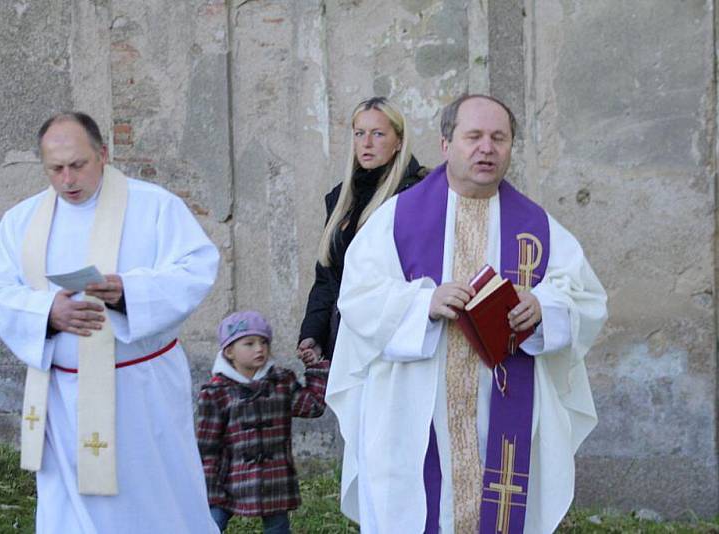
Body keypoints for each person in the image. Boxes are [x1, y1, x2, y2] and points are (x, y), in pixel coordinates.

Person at [326, 95, 608, 534]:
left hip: (504, 410)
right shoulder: (396, 220)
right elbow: (358, 297)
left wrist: (543, 308)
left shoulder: (537, 228)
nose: (487, 148)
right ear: (445, 144)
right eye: (473, 136)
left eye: (499, 138)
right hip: (415, 410)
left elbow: (585, 298)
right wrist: (423, 304)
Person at [0, 112, 220, 533]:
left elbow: (196, 268)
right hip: (59, 398)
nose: (67, 179)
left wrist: (128, 293)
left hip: (138, 396)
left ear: (103, 154)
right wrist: (48, 313)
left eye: (78, 164)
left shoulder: (155, 206)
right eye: (55, 169)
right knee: (67, 508)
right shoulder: (22, 220)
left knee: (153, 501)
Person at [297, 96, 427, 362]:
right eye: (360, 134)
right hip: (345, 339)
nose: (366, 143)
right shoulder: (340, 198)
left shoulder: (415, 194)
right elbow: (327, 277)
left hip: (394, 337)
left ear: (399, 141)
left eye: (378, 134)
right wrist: (314, 335)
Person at [197, 311, 329, 533]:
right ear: (229, 351)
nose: (259, 349)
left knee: (277, 527)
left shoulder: (281, 382)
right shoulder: (215, 393)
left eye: (263, 342)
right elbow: (207, 447)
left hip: (274, 478)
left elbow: (312, 406)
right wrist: (209, 487)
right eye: (249, 343)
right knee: (211, 523)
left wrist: (316, 369)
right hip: (229, 479)